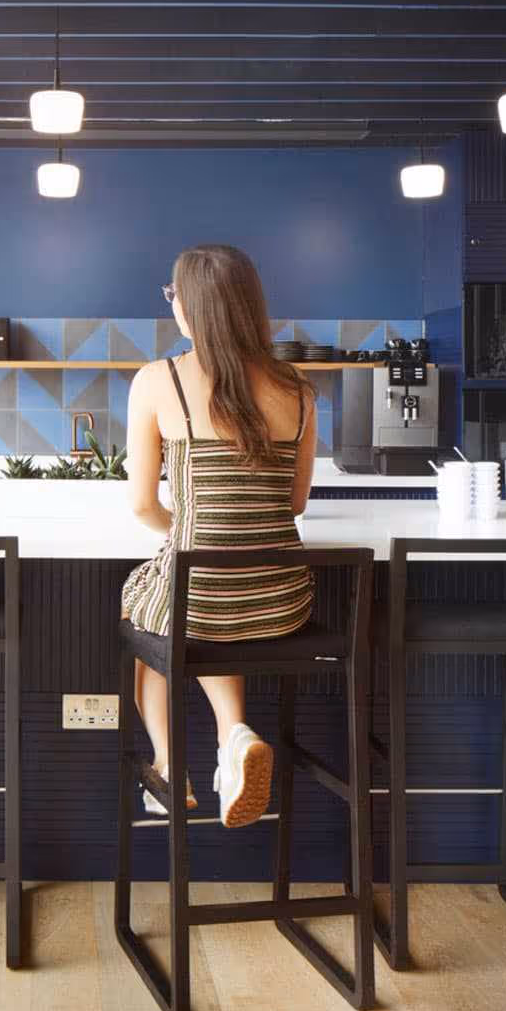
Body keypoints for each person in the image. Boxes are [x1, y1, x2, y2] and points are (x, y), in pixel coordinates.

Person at [120, 244, 317, 828]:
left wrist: (185, 535)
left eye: (173, 295)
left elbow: (142, 504)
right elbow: (295, 503)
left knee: (152, 606)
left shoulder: (158, 381)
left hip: (201, 596)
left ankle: (167, 765)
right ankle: (232, 735)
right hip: (283, 601)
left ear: (190, 307)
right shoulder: (298, 388)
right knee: (191, 602)